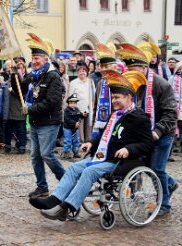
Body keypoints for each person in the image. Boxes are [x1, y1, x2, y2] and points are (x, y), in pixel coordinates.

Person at [29, 70, 153, 221]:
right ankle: (54, 200)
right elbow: (103, 136)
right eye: (112, 97)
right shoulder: (115, 115)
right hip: (103, 158)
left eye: (117, 97)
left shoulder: (140, 117)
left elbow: (148, 144)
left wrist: (128, 149)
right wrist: (90, 142)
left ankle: (66, 207)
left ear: (128, 97)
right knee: (74, 167)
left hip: (121, 162)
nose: (114, 101)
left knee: (89, 171)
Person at [117, 43, 178, 217]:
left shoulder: (161, 85)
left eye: (133, 68)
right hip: (142, 135)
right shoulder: (130, 84)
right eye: (128, 68)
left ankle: (164, 205)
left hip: (162, 134)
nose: (129, 72)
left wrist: (157, 131)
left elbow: (170, 113)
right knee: (146, 166)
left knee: (157, 169)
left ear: (144, 67)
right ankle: (170, 183)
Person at [12, 33, 65, 198]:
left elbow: (52, 102)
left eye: (38, 58)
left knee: (46, 154)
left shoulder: (53, 76)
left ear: (45, 59)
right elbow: (19, 89)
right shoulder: (33, 75)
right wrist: (14, 75)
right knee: (35, 156)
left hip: (49, 123)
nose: (34, 61)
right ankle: (42, 187)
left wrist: (30, 110)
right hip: (35, 122)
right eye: (33, 58)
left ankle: (66, 181)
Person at [92, 43, 117, 138]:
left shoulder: (122, 82)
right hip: (101, 127)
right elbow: (96, 107)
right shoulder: (100, 83)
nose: (103, 69)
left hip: (116, 126)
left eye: (106, 66)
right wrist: (94, 126)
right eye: (101, 66)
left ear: (114, 67)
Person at [69, 61, 95, 143]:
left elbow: (93, 94)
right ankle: (80, 141)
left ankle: (88, 141)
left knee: (88, 126)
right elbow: (70, 96)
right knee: (79, 126)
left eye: (83, 71)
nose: (82, 73)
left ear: (86, 72)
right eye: (80, 71)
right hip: (78, 107)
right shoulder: (73, 83)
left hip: (88, 107)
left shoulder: (90, 82)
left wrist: (93, 105)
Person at [5, 62, 28, 154]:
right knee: (8, 130)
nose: (20, 69)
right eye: (17, 68)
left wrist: (13, 91)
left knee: (21, 130)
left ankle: (22, 146)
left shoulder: (23, 81)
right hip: (10, 109)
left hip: (19, 109)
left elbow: (23, 94)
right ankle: (8, 145)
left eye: (21, 68)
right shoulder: (9, 81)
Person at [60, 94, 81, 159]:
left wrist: (83, 115)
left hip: (75, 129)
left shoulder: (77, 109)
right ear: (68, 103)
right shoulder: (67, 110)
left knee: (76, 140)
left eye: (74, 103)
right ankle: (65, 153)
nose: (73, 104)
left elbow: (79, 115)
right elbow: (67, 119)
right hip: (68, 128)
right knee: (68, 141)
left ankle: (76, 152)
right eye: (71, 103)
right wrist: (75, 123)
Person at [169, 61, 182, 152]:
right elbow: (168, 90)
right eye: (180, 68)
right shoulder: (171, 78)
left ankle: (180, 143)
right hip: (174, 104)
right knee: (174, 125)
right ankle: (173, 146)